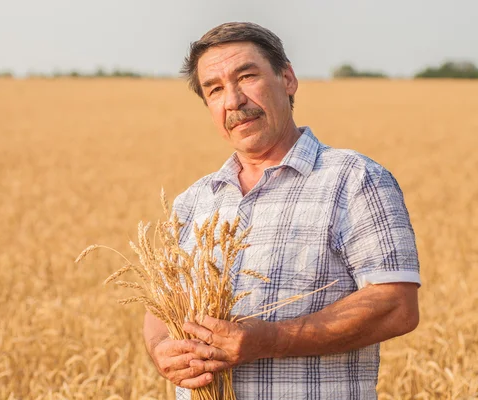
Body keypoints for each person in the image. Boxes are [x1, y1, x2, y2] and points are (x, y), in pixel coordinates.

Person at [142, 22, 420, 399]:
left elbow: (396, 305)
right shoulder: (194, 201)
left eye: (247, 76)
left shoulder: (354, 179)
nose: (234, 100)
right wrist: (162, 351)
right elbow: (160, 315)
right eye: (215, 89)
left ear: (287, 78)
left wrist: (268, 340)